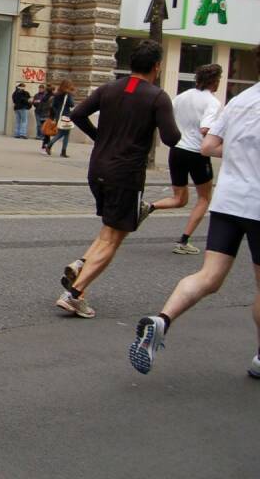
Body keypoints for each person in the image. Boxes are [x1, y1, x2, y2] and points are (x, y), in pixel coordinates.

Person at [128, 45, 260, 378]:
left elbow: (211, 146)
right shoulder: (218, 101)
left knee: (209, 276)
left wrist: (242, 155)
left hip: (228, 201)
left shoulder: (239, 101)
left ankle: (162, 319)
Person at [55, 40, 180, 318]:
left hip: (97, 168)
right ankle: (74, 294)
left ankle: (81, 263)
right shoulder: (157, 97)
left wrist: (99, 137)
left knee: (112, 229)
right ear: (157, 67)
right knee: (115, 238)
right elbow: (172, 138)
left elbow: (76, 114)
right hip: (126, 173)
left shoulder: (109, 88)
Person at [145, 63, 223, 255]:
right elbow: (205, 129)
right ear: (214, 81)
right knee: (204, 198)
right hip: (196, 153)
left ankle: (149, 206)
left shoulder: (182, 96)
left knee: (179, 198)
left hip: (177, 150)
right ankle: (183, 241)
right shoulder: (212, 102)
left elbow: (165, 115)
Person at [43, 80, 76, 157]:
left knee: (65, 133)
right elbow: (71, 104)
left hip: (59, 115)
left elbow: (53, 105)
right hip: (66, 115)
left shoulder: (57, 94)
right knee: (63, 133)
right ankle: (51, 146)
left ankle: (62, 151)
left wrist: (57, 114)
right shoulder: (68, 94)